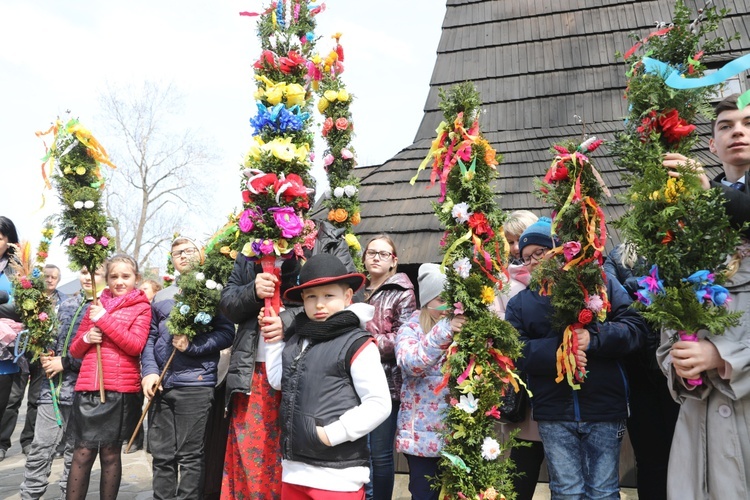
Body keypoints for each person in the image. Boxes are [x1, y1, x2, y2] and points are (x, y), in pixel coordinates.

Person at [505, 217, 648, 499]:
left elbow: (635, 328)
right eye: (526, 258)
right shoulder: (520, 303)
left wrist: (593, 339)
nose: (533, 262)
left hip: (604, 407)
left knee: (604, 490)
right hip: (553, 411)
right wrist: (561, 348)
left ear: (558, 249)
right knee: (566, 490)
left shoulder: (600, 283)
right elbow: (515, 350)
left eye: (540, 252)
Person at [218, 220, 357, 499]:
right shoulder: (251, 246)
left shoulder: (326, 239)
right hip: (253, 372)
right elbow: (228, 305)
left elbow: (341, 305)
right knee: (253, 456)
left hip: (307, 364)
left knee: (295, 456)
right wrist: (252, 291)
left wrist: (287, 321)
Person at [264, 253, 392, 499]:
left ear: (347, 296)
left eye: (328, 296)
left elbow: (379, 403)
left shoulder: (357, 343)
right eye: (311, 297)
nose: (319, 304)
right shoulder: (297, 339)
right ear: (302, 300)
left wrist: (331, 434)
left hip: (338, 475)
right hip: (294, 470)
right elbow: (279, 381)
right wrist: (273, 342)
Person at [141, 236, 235, 499]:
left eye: (189, 250)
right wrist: (149, 372)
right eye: (176, 253)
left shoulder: (213, 290)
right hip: (161, 384)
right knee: (161, 456)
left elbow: (226, 334)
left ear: (201, 254)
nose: (183, 256)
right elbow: (149, 337)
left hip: (195, 383)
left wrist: (192, 345)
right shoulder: (162, 296)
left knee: (190, 455)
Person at [656, 237, 750, 497]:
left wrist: (722, 357)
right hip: (695, 439)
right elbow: (666, 347)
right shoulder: (687, 273)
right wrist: (682, 366)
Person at [65, 254, 151, 500]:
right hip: (88, 387)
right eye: (114, 276)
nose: (119, 282)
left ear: (136, 278)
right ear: (106, 278)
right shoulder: (95, 305)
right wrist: (86, 339)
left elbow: (135, 346)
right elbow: (74, 350)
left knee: (110, 453)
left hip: (120, 391)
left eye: (126, 276)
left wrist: (104, 319)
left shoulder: (142, 308)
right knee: (82, 452)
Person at [19, 266, 105, 500]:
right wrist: (45, 353)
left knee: (74, 453)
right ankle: (30, 494)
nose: (88, 277)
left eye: (96, 273)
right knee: (40, 447)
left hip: (83, 390)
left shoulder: (104, 308)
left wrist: (65, 363)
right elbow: (56, 340)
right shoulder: (67, 304)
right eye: (85, 272)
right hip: (52, 389)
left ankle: (71, 495)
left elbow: (99, 355)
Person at [603, 242, 679, 500]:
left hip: (677, 369)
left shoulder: (683, 248)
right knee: (649, 458)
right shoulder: (618, 255)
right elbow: (609, 297)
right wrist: (640, 286)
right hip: (638, 370)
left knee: (682, 454)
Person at [395, 263, 465, 499]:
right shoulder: (410, 329)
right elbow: (411, 363)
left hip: (456, 435)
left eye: (452, 299)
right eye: (441, 299)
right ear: (426, 301)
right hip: (422, 441)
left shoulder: (461, 327)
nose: (448, 306)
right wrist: (445, 330)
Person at [492, 212, 545, 500]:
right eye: (510, 241)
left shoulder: (553, 277)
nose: (515, 248)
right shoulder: (502, 282)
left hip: (552, 379)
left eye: (520, 239)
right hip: (521, 383)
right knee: (522, 461)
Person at [361, 234, 416, 500]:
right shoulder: (356, 290)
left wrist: (365, 344)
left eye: (383, 254)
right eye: (372, 252)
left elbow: (403, 338)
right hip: (353, 380)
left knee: (379, 452)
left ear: (394, 261)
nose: (376, 257)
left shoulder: (402, 291)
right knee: (359, 449)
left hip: (386, 380)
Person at [663, 93, 750, 237]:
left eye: (748, 123)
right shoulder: (695, 201)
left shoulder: (709, 191)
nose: (737, 131)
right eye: (725, 126)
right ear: (712, 145)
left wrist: (711, 191)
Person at [0, 216, 21, 462]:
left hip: (4, 360)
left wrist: (3, 296)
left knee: (4, 406)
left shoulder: (17, 272)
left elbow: (22, 308)